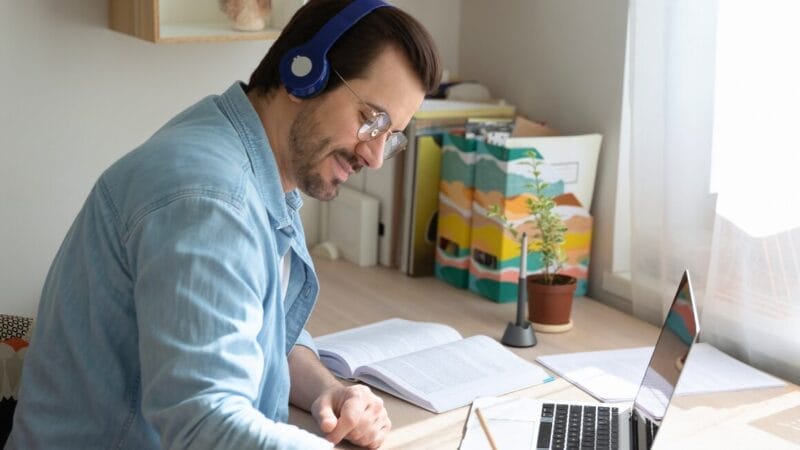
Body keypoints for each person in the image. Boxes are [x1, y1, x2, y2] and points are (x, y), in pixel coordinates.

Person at [6, 0, 441, 448]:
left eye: (391, 138)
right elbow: (203, 423)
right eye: (372, 121)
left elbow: (249, 328)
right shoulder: (210, 199)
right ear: (302, 74)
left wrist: (329, 390)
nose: (373, 156)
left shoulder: (247, 158)